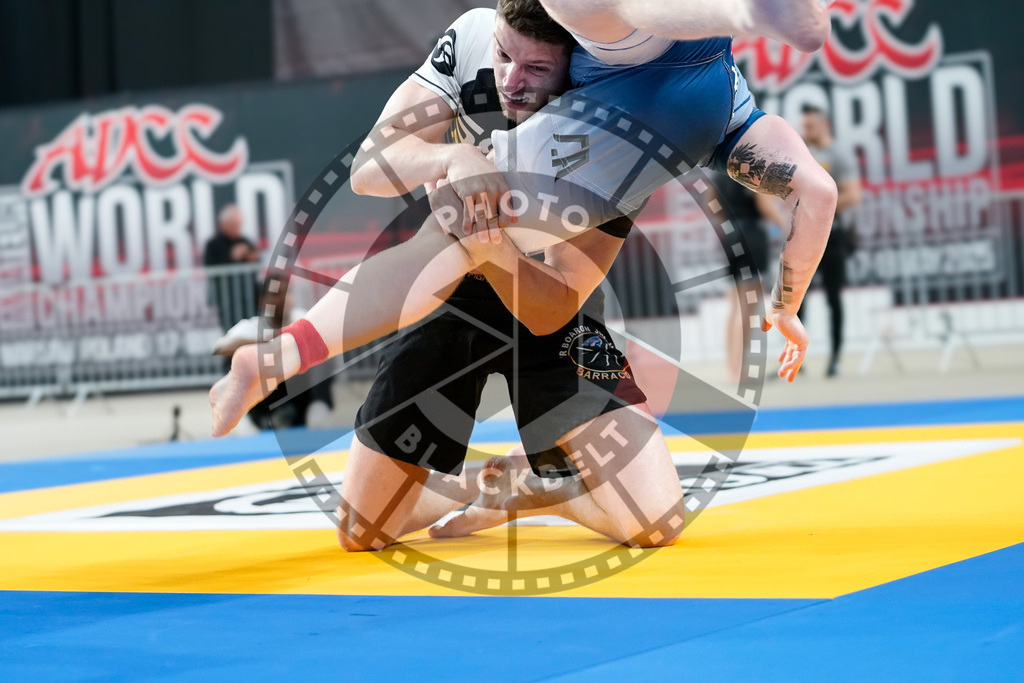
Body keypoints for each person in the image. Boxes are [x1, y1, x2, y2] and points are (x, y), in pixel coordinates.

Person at [210, 0, 837, 469]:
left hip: (544, 283)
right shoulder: (479, 36)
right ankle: (275, 360)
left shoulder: (607, 92)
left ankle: (281, 359)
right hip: (465, 284)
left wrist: (786, 306)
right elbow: (369, 169)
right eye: (505, 58)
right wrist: (449, 159)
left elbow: (554, 308)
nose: (511, 79)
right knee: (364, 525)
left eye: (536, 67)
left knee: (457, 235)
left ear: (569, 66)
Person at [797, 104, 862, 377]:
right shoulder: (802, 153)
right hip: (802, 235)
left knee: (834, 298)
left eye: (810, 126)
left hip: (832, 236)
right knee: (796, 300)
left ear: (824, 124)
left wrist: (819, 208)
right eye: (804, 126)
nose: (806, 130)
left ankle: (835, 358)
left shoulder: (840, 154)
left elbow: (853, 195)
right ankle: (796, 361)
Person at [706, 171, 784, 383]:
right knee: (747, 308)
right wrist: (787, 227)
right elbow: (765, 205)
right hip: (751, 236)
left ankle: (732, 368)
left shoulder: (721, 172)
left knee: (735, 307)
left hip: (731, 234)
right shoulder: (753, 170)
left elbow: (711, 202)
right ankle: (738, 370)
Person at [203, 205, 260, 333]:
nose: (237, 229)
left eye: (238, 225)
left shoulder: (244, 241)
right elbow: (211, 267)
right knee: (231, 333)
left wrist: (252, 258)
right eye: (234, 225)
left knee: (253, 331)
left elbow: (256, 261)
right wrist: (232, 257)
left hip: (249, 297)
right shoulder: (213, 244)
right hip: (227, 299)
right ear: (224, 224)